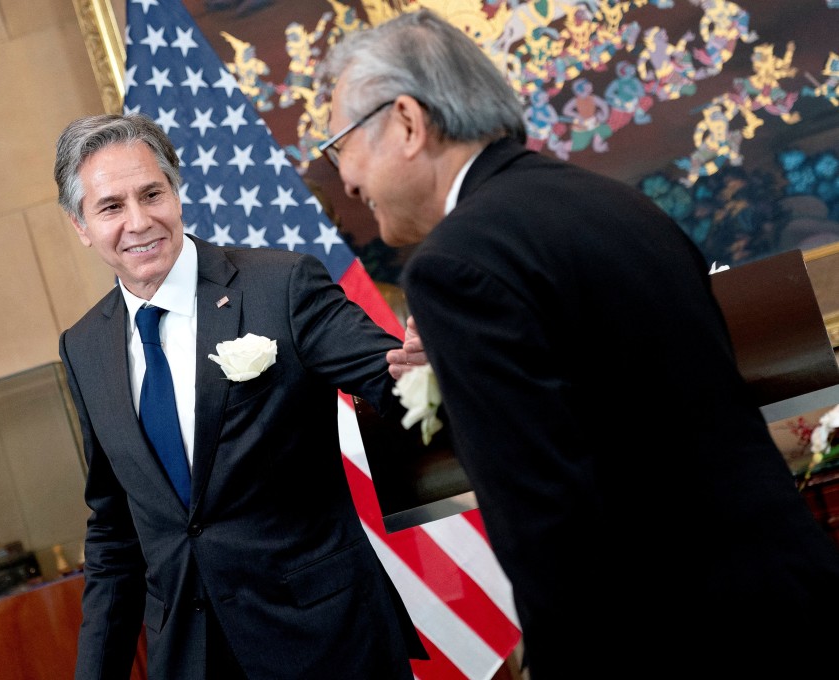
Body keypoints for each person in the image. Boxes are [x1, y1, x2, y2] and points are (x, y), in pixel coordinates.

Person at [319, 9, 839, 678]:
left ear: (409, 123)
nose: (346, 181)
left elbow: (545, 520)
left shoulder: (456, 263)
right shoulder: (615, 203)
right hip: (790, 594)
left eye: (340, 147)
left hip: (662, 635)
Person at [53, 113, 426, 679]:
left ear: (176, 191)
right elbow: (115, 529)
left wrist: (424, 370)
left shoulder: (281, 286)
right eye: (110, 207)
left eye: (152, 194)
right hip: (191, 657)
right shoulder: (83, 347)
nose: (139, 221)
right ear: (80, 225)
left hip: (326, 641)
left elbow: (392, 381)